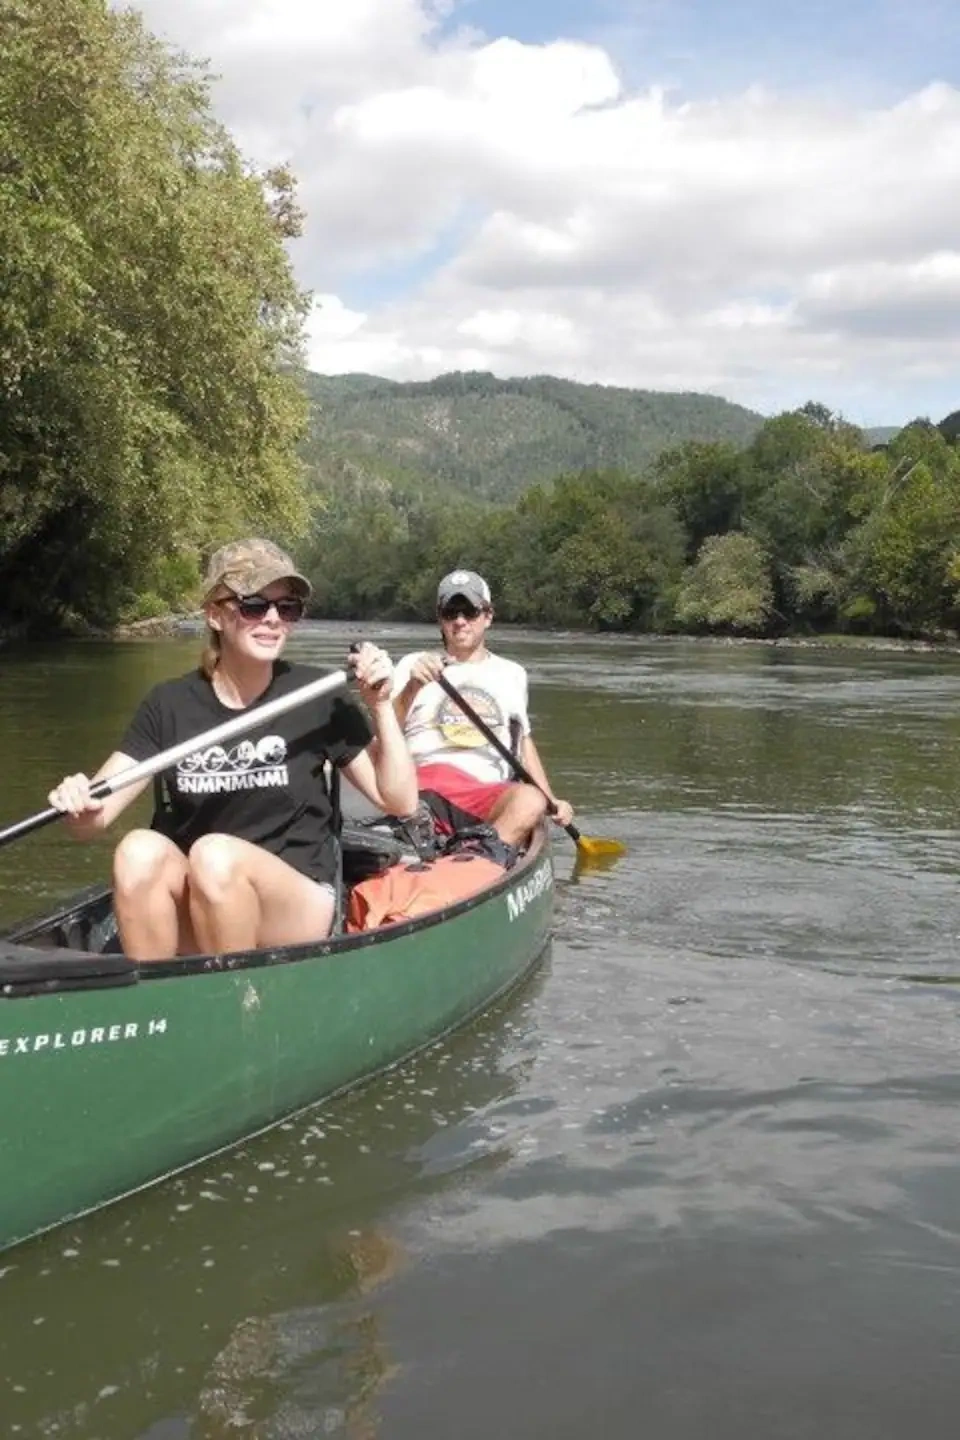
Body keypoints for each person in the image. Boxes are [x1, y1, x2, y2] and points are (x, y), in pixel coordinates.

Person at [48, 538, 417, 961]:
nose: (274, 620)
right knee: (137, 850)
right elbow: (90, 823)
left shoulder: (318, 695)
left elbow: (400, 800)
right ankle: (157, 1001)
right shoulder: (169, 704)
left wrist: (381, 705)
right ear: (214, 615)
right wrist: (78, 799)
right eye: (255, 606)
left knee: (215, 855)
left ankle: (238, 1001)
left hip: (294, 903)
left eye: (288, 607)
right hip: (205, 899)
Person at [392, 569, 573, 865]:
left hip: (485, 792)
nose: (460, 621)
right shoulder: (413, 665)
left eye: (470, 611)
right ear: (440, 618)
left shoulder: (512, 674)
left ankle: (471, 862)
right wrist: (412, 687)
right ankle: (477, 858)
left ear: (487, 616)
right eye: (451, 612)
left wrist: (551, 800)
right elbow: (383, 732)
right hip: (422, 787)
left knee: (531, 800)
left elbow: (522, 742)